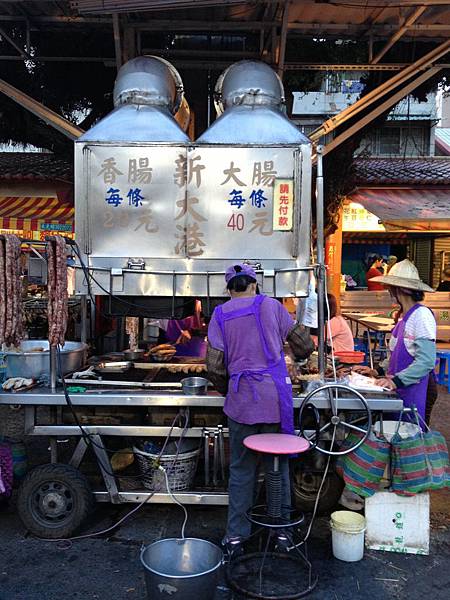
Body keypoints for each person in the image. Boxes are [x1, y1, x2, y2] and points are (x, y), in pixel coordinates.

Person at [206, 263, 314, 555]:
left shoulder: (220, 314)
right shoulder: (272, 306)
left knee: (242, 470)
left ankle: (236, 537)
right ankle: (282, 535)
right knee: (277, 468)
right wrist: (292, 353)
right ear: (254, 285)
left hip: (242, 402)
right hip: (274, 399)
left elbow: (214, 366)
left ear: (229, 289)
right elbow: (304, 345)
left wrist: (231, 389)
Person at [368, 259, 436, 424]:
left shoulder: (422, 315)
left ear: (401, 289)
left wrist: (395, 381)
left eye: (391, 288)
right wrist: (377, 370)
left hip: (412, 392)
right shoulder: (403, 317)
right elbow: (395, 357)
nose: (389, 291)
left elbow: (426, 361)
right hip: (397, 393)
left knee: (409, 440)